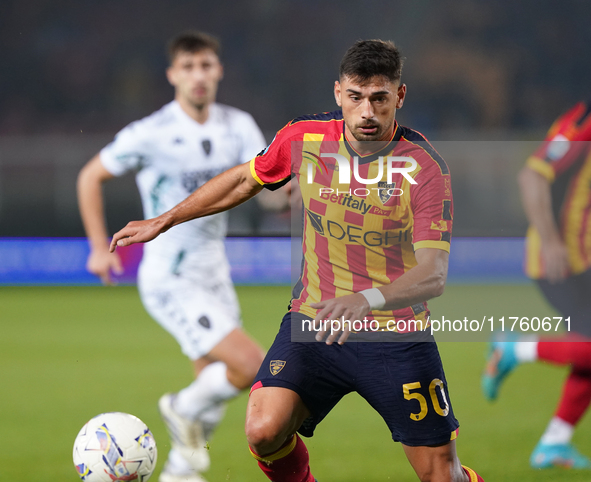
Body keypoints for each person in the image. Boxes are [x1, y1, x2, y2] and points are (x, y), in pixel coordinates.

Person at [108, 39, 485, 482]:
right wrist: (166, 219)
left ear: (399, 97)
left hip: (395, 336)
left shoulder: (424, 169)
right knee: (264, 430)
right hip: (315, 323)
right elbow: (243, 181)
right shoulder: (304, 138)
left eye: (380, 98)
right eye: (355, 97)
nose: (367, 112)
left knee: (442, 475)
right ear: (338, 93)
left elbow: (433, 274)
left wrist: (367, 299)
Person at [77, 31, 267, 482]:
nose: (198, 76)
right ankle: (176, 408)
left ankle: (180, 474)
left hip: (215, 273)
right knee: (252, 367)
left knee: (212, 388)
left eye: (206, 66)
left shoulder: (238, 125)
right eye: (188, 67)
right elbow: (89, 176)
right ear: (172, 75)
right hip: (171, 275)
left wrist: (290, 195)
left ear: (219, 70)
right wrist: (96, 249)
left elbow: (265, 186)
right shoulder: (152, 132)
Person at [483, 101, 591, 469]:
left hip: (582, 258)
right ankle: (515, 348)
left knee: (587, 353)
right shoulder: (583, 120)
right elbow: (531, 176)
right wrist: (551, 241)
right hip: (566, 260)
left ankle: (553, 444)